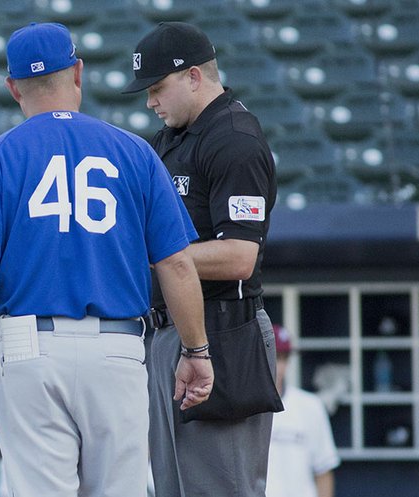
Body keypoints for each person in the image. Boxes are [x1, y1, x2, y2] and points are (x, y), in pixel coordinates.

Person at [0, 21, 212, 497]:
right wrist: (196, 350)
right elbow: (178, 264)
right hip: (117, 345)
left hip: (29, 346)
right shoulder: (135, 151)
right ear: (78, 72)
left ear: (13, 87)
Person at [122, 21, 281, 497]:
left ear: (193, 76)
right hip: (167, 332)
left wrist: (159, 259)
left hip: (224, 331)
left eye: (157, 88)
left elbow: (238, 257)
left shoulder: (234, 136)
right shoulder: (169, 138)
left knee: (221, 489)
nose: (150, 101)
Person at [265, 324, 340, 497]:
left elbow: (323, 469)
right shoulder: (245, 408)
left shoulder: (311, 406)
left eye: (283, 358)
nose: (278, 365)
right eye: (273, 357)